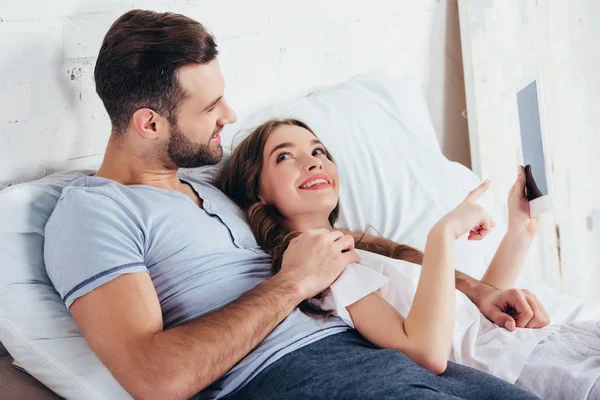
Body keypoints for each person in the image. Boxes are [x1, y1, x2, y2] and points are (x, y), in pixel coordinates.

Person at [44, 9, 548, 399]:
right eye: (210, 107)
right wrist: (292, 283)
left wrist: (478, 283)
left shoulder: (217, 193)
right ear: (149, 124)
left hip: (372, 358)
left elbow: (369, 254)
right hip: (291, 378)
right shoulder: (93, 214)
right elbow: (155, 379)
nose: (230, 114)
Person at [217, 117, 600, 400]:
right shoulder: (319, 265)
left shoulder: (364, 247)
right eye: (285, 157)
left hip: (556, 342)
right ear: (257, 189)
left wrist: (520, 229)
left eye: (319, 151)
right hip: (533, 369)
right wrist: (442, 235)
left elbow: (469, 322)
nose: (314, 162)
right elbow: (426, 350)